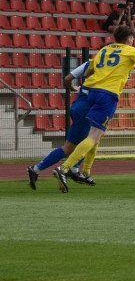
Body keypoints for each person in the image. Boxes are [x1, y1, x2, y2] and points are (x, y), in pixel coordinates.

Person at [52, 25, 135, 192]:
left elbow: (88, 72)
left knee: (96, 135)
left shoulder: (104, 50)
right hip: (107, 95)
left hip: (91, 93)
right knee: (93, 137)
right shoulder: (129, 50)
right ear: (129, 38)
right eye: (132, 38)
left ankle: (85, 171)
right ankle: (64, 168)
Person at [26, 61, 96, 189]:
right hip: (86, 109)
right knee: (70, 147)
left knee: (89, 140)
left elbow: (68, 78)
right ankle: (36, 169)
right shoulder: (111, 66)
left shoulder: (89, 63)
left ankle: (74, 170)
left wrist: (74, 88)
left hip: (80, 105)